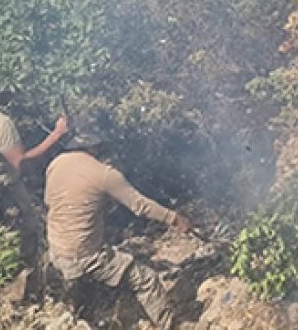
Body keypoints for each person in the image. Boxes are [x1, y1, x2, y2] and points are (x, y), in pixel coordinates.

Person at [45, 114, 190, 328]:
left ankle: (84, 316)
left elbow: (50, 201)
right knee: (146, 280)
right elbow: (140, 205)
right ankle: (169, 326)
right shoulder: (104, 174)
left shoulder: (56, 163)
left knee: (85, 299)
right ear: (96, 145)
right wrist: (174, 218)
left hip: (56, 251)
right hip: (85, 255)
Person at [0, 94, 68, 297]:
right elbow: (21, 163)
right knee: (25, 241)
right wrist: (56, 134)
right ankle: (23, 296)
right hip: (4, 193)